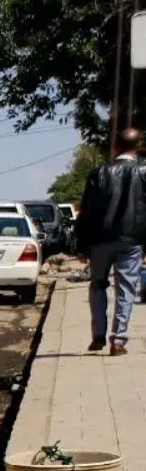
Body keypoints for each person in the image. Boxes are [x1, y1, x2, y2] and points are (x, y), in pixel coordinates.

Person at [78, 127, 146, 355]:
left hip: (100, 240)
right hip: (132, 241)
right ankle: (118, 341)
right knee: (126, 288)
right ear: (138, 147)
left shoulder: (98, 173)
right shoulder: (144, 172)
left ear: (115, 146)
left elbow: (86, 212)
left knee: (98, 285)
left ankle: (98, 335)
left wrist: (82, 245)